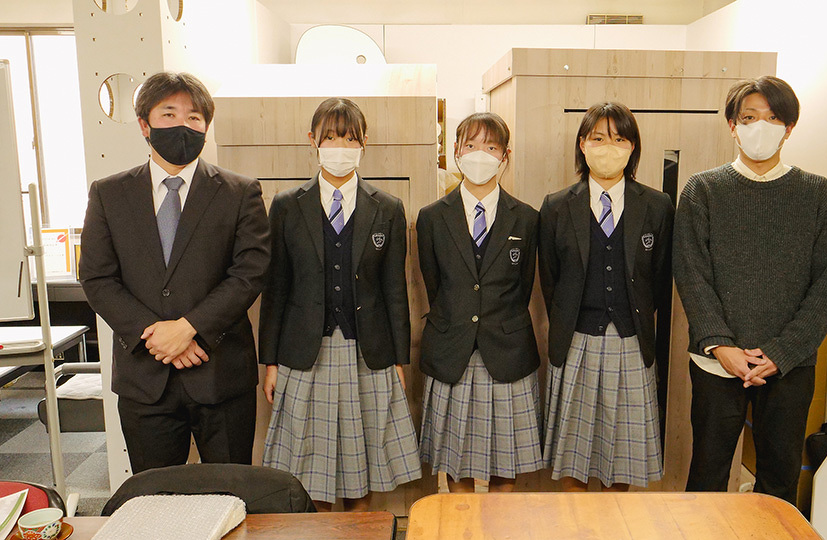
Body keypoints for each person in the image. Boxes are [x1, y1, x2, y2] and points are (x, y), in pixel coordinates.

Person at [79, 72, 271, 473]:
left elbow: (249, 273)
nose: (183, 124)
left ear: (206, 127)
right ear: (144, 125)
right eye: (169, 114)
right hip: (144, 377)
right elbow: (97, 278)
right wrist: (156, 334)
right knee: (154, 494)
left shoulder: (240, 192)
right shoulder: (109, 193)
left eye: (194, 117)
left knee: (232, 491)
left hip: (221, 374)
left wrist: (188, 328)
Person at [673, 75, 827, 503]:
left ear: (789, 127)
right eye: (749, 117)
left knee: (779, 480)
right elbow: (691, 273)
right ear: (733, 125)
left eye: (772, 118)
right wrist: (721, 345)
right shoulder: (702, 190)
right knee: (708, 475)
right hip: (718, 363)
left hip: (788, 366)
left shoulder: (817, 194)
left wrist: (782, 352)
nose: (760, 127)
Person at [259, 98, 421, 511]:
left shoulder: (387, 208)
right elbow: (276, 288)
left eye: (350, 138)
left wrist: (399, 360)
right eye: (330, 137)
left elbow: (395, 290)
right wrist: (270, 361)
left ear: (364, 143)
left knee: (361, 470)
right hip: (304, 353)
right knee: (311, 473)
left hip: (368, 352)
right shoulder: (286, 205)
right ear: (313, 140)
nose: (340, 147)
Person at [539, 102, 673, 492]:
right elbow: (551, 281)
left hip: (631, 342)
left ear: (633, 147)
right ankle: (576, 523)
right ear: (582, 145)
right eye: (598, 138)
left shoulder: (658, 206)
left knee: (623, 461)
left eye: (618, 139)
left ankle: (613, 520)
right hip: (577, 341)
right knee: (573, 459)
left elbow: (660, 280)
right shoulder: (556, 206)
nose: (608, 147)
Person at [417, 112, 543, 492]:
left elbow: (523, 287)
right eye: (470, 145)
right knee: (455, 467)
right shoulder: (431, 218)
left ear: (505, 156)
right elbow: (434, 285)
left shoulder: (527, 219)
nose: (479, 155)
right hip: (451, 351)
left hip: (508, 352)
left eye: (490, 147)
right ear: (456, 152)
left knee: (507, 467)